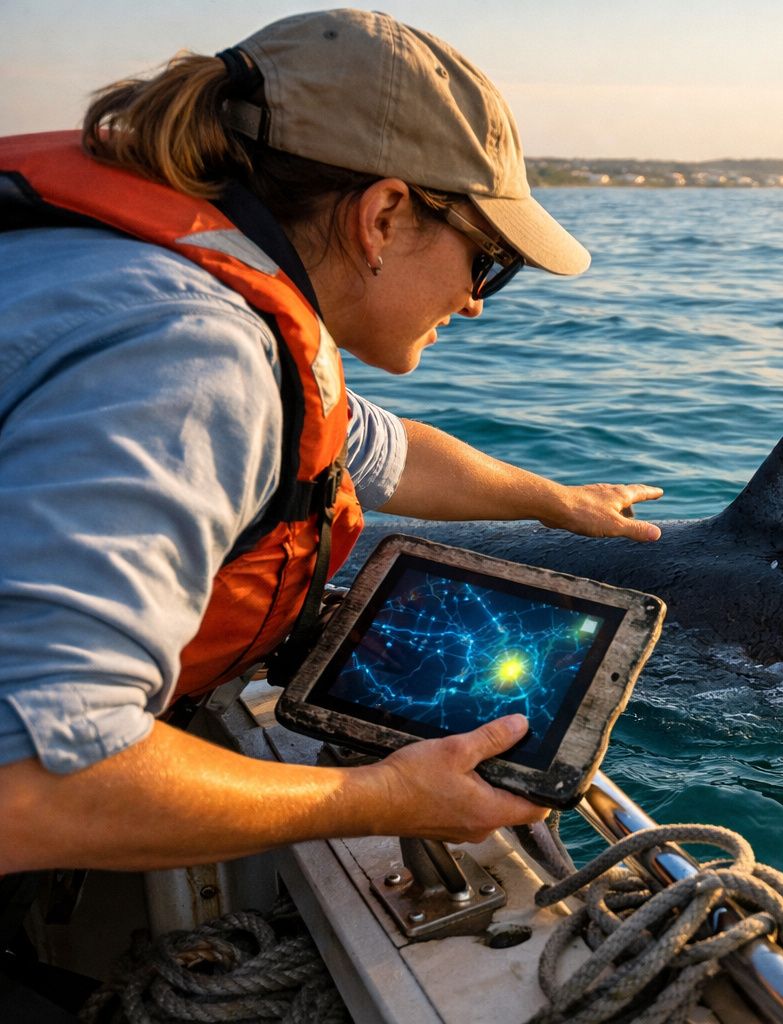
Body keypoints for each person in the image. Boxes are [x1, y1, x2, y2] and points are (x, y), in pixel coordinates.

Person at [0, 9, 663, 875]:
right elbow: (30, 786)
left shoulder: (105, 267)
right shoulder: (191, 353)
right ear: (383, 216)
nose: (473, 303)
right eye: (487, 264)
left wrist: (554, 501)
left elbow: (376, 449)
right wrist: (386, 797)